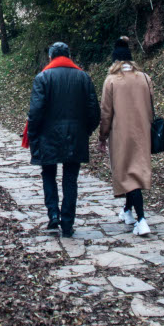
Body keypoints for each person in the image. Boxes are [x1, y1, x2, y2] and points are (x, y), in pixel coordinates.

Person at [26, 41, 100, 238]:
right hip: (75, 135)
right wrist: (85, 130)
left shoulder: (42, 77)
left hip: (47, 135)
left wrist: (33, 134)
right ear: (69, 56)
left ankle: (53, 215)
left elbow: (35, 111)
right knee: (70, 179)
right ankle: (68, 223)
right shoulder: (83, 78)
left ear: (50, 57)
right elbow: (94, 111)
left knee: (48, 174)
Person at [97, 36, 154, 236]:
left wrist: (102, 136)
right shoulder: (145, 78)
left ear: (115, 61)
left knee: (128, 174)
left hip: (121, 134)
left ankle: (141, 219)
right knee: (135, 171)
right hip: (142, 133)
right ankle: (127, 210)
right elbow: (151, 107)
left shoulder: (111, 81)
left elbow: (106, 112)